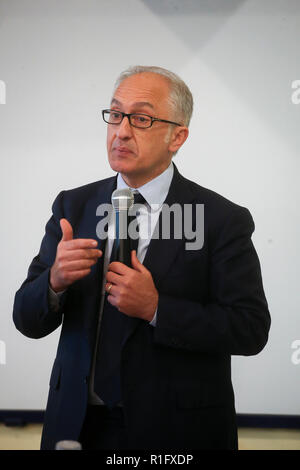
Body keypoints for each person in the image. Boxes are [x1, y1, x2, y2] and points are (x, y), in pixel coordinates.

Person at [13, 66, 270, 450]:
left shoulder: (221, 219)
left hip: (176, 431)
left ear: (177, 136)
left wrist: (156, 309)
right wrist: (54, 281)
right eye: (115, 115)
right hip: (77, 425)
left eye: (142, 118)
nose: (121, 130)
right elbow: (26, 319)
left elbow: (250, 329)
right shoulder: (74, 204)